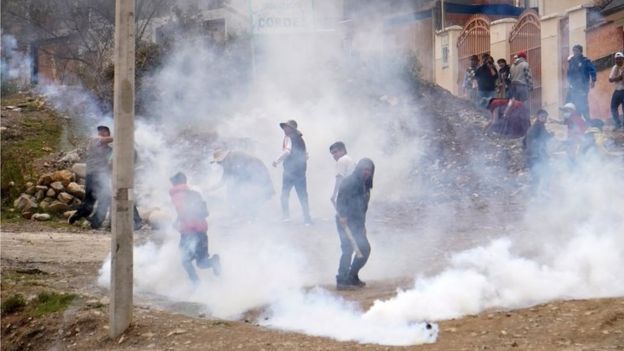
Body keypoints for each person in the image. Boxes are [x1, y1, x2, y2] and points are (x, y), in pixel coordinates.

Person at [169, 172, 220, 284]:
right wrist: (178, 220)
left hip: (189, 232)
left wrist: (179, 223)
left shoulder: (177, 194)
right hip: (201, 231)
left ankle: (196, 283)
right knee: (201, 262)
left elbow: (184, 211)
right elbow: (192, 211)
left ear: (175, 183)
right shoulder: (194, 193)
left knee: (184, 260)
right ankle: (214, 262)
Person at [335, 158, 375, 290]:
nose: (366, 172)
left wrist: (363, 225)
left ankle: (352, 276)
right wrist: (343, 215)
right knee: (347, 249)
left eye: (369, 170)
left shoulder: (365, 185)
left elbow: (362, 208)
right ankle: (342, 281)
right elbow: (341, 198)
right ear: (359, 169)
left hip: (357, 222)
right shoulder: (350, 181)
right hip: (345, 220)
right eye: (364, 169)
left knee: (364, 249)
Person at [69, 125, 113, 229]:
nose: (101, 133)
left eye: (104, 131)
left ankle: (96, 223)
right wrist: (123, 136)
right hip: (92, 175)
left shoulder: (110, 150)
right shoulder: (94, 141)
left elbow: (110, 163)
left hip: (102, 176)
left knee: (105, 198)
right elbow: (106, 139)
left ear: (108, 133)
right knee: (90, 201)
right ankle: (77, 216)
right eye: (100, 131)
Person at [211, 149, 274, 217]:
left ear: (223, 159)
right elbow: (223, 181)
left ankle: (251, 216)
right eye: (218, 163)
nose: (219, 164)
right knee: (237, 193)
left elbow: (241, 177)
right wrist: (209, 189)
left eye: (219, 162)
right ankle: (246, 215)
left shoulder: (235, 157)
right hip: (252, 176)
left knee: (251, 194)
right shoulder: (228, 163)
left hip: (257, 173)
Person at [272, 120, 312, 225]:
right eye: (284, 127)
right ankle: (307, 219)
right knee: (303, 196)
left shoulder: (289, 138)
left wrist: (276, 161)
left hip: (290, 171)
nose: (285, 129)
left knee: (285, 194)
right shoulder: (301, 139)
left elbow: (287, 151)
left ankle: (286, 216)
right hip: (300, 172)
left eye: (287, 127)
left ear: (291, 129)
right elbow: (306, 155)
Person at [566, 44, 597, 122]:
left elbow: (592, 70)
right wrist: (569, 83)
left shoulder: (586, 61)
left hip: (583, 86)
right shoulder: (571, 61)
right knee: (574, 103)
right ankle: (577, 120)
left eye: (576, 50)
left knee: (583, 102)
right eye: (574, 51)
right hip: (574, 86)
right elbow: (569, 73)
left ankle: (588, 120)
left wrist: (593, 80)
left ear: (580, 51)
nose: (575, 52)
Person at [523, 109, 552, 187]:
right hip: (535, 156)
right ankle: (539, 193)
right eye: (542, 116)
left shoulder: (535, 126)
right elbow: (546, 137)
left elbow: (524, 141)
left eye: (545, 117)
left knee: (536, 176)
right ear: (538, 117)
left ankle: (536, 193)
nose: (544, 118)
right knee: (544, 173)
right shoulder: (539, 126)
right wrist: (552, 135)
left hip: (531, 155)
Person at [329, 142, 355, 207]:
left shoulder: (342, 160)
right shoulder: (349, 159)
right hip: (354, 192)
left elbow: (339, 179)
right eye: (332, 153)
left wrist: (334, 195)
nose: (334, 155)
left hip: (348, 193)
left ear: (342, 150)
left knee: (343, 215)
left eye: (335, 152)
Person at [609, 52, 624, 130]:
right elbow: (610, 79)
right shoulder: (615, 67)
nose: (618, 61)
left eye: (619, 59)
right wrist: (618, 78)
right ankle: (618, 124)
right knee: (613, 107)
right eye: (616, 59)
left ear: (623, 59)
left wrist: (618, 78)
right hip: (617, 91)